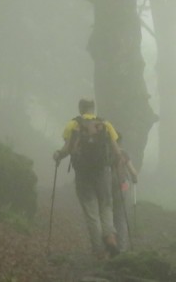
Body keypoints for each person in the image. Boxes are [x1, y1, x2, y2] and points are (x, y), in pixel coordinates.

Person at [53, 98, 122, 259]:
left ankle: (99, 251)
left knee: (92, 212)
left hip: (83, 173)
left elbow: (67, 148)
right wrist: (115, 166)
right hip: (103, 172)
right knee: (106, 206)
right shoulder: (105, 124)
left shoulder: (74, 124)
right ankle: (110, 238)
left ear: (80, 108)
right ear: (93, 108)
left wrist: (58, 155)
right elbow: (117, 152)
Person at [111, 136, 138, 253]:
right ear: (120, 142)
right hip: (123, 186)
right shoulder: (123, 153)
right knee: (121, 216)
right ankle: (122, 247)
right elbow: (133, 173)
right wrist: (134, 179)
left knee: (108, 215)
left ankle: (110, 245)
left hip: (107, 188)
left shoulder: (105, 153)